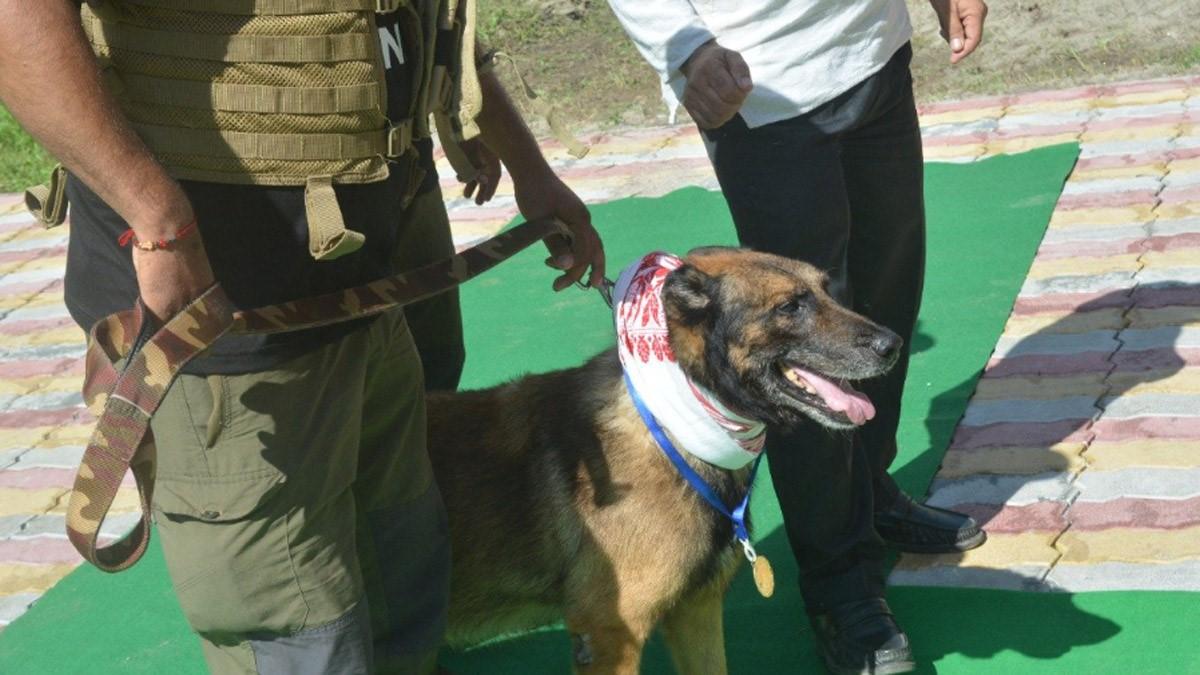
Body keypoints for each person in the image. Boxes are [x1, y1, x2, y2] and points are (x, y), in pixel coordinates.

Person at [0, 1, 603, 673]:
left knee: (404, 594)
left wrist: (529, 166)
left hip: (364, 298)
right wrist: (154, 213)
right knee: (300, 639)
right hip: (226, 333)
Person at [606, 1, 987, 672]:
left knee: (884, 292)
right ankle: (839, 584)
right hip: (760, 83)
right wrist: (686, 48)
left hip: (874, 51)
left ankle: (868, 491)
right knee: (803, 342)